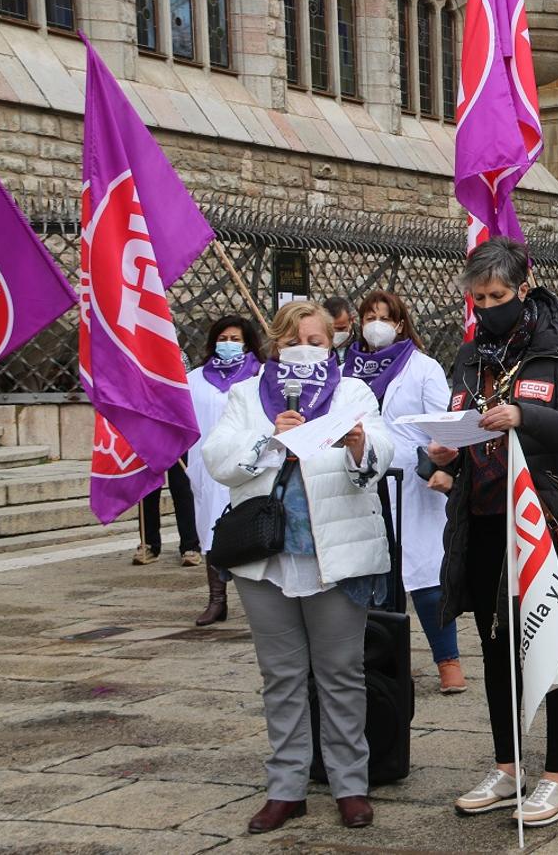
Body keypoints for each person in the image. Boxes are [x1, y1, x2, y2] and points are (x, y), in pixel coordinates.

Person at [202, 300, 393, 834]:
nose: (305, 349)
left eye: (316, 340)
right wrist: (269, 439)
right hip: (265, 558)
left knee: (340, 674)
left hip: (335, 555)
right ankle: (286, 787)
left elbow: (383, 448)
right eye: (293, 341)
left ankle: (349, 783)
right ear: (277, 346)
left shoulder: (351, 390)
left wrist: (360, 445)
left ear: (330, 344)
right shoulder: (247, 394)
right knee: (281, 676)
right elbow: (217, 458)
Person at [430, 238, 558, 827]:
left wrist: (523, 416)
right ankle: (507, 767)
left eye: (496, 296)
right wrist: (441, 456)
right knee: (496, 647)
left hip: (540, 518)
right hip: (478, 520)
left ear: (522, 290)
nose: (486, 306)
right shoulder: (472, 353)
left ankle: (557, 775)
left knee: (551, 647)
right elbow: (457, 420)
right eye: (477, 298)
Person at [344, 291, 464, 695]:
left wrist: (445, 464)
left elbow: (441, 422)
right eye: (369, 316)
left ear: (400, 323)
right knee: (375, 578)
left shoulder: (422, 367)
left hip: (413, 482)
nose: (376, 323)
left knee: (426, 578)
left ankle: (448, 660)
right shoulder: (345, 370)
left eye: (385, 316)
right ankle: (388, 664)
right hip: (360, 481)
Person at [186, 315, 264, 625]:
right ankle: (216, 600)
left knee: (251, 533)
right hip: (206, 468)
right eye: (223, 338)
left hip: (248, 465)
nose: (228, 344)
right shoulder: (195, 379)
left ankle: (260, 603)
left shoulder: (259, 377)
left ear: (247, 342)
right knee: (209, 533)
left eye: (235, 339)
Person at [135, 349, 203, 568]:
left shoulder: (178, 354)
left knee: (182, 487)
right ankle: (148, 544)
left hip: (176, 429)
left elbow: (186, 390)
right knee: (147, 490)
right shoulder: (137, 352)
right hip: (147, 427)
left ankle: (190, 546)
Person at [324, 297, 355, 365]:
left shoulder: (362, 344)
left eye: (340, 328)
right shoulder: (318, 346)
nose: (334, 334)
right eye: (329, 329)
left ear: (352, 320)